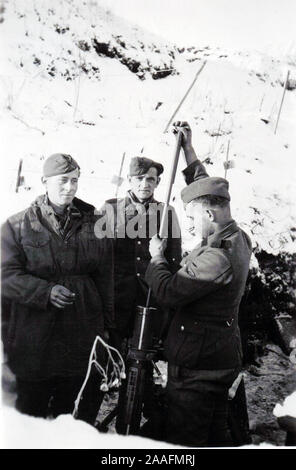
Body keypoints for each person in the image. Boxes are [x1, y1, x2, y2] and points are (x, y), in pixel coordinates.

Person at [145, 122, 252, 447]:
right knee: (214, 436)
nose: (190, 224)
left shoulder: (216, 257)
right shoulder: (237, 235)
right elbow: (206, 188)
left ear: (208, 213)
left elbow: (169, 292)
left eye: (192, 217)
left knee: (187, 442)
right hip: (217, 360)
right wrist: (189, 150)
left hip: (198, 372)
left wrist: (157, 259)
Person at [1, 153, 114, 425]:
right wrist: (44, 291)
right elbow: (5, 275)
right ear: (44, 181)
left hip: (81, 332)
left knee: (75, 412)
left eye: (75, 181)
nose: (70, 188)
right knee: (30, 413)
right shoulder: (17, 225)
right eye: (63, 181)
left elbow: (106, 278)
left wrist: (110, 329)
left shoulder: (95, 222)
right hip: (34, 335)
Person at [97, 156, 182, 351]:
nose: (145, 184)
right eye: (139, 178)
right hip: (116, 301)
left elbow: (174, 261)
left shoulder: (166, 213)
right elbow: (97, 258)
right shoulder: (110, 209)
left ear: (158, 182)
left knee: (142, 364)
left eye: (150, 179)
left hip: (150, 299)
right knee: (111, 358)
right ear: (129, 179)